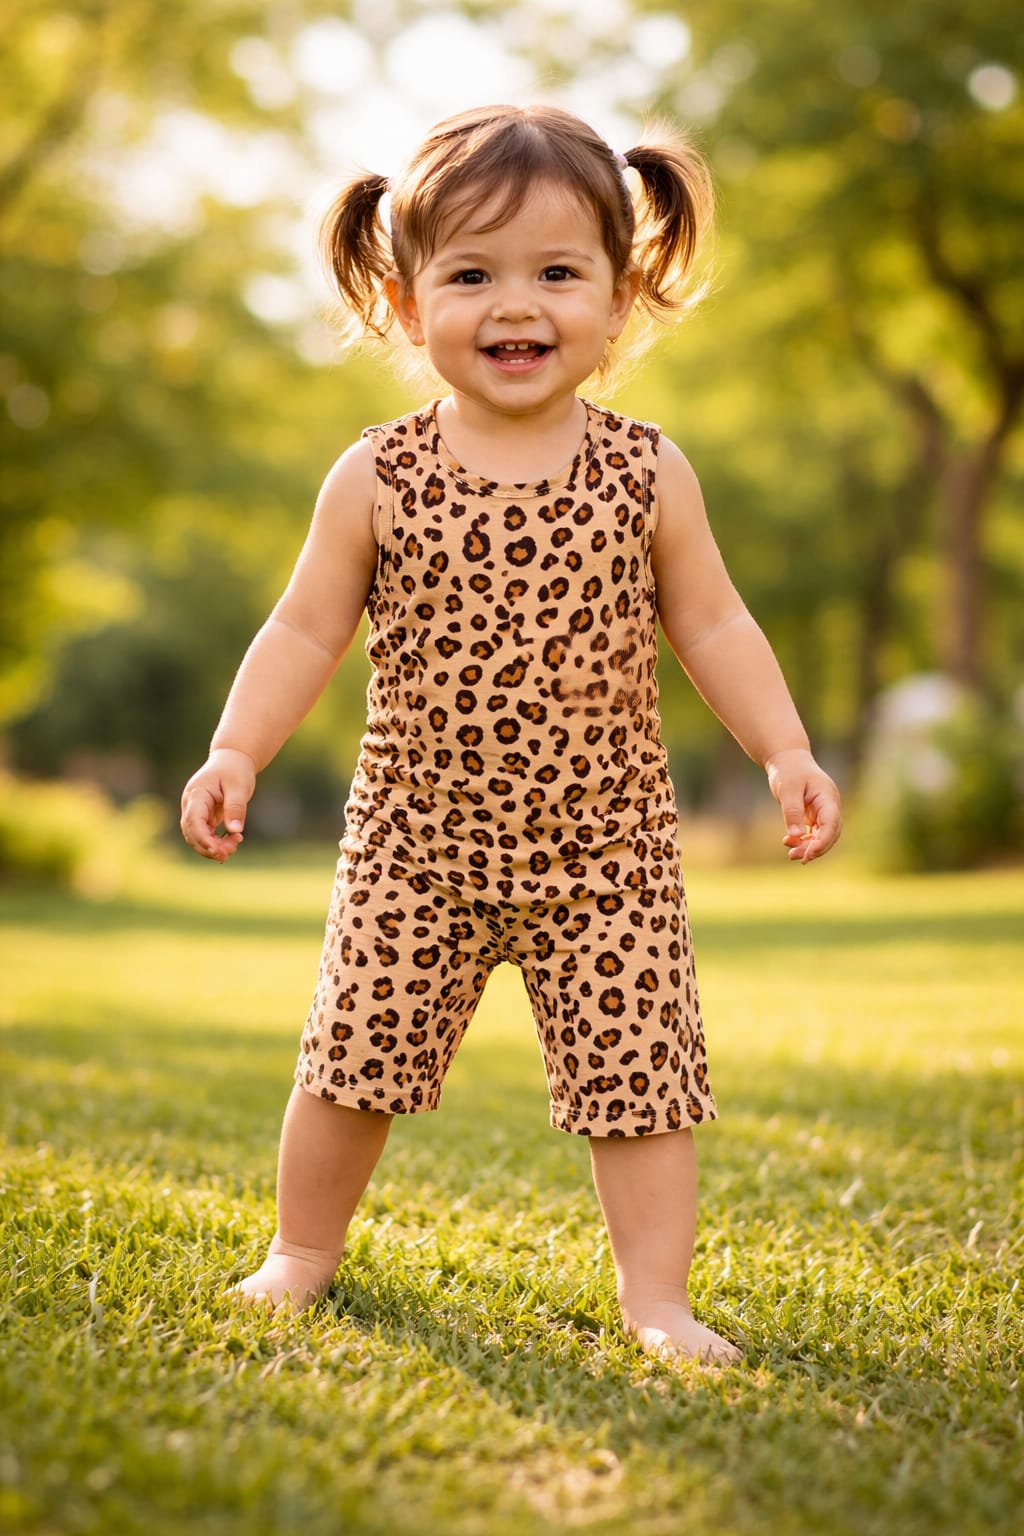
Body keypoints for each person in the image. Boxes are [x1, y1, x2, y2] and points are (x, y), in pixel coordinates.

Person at [180, 104, 841, 1365]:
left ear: (621, 293)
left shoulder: (649, 473)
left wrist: (784, 748)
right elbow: (303, 632)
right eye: (470, 274)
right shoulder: (376, 474)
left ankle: (657, 1299)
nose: (513, 306)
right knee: (347, 1059)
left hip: (608, 855)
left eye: (555, 272)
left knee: (642, 1083)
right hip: (412, 847)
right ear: (402, 295)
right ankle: (299, 1253)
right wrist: (236, 749)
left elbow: (713, 625)